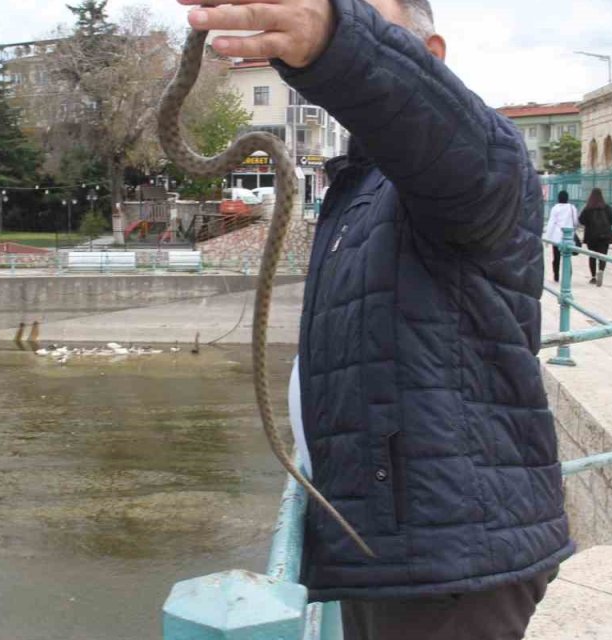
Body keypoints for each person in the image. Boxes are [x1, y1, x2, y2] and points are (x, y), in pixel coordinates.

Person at [185, 1, 572, 638]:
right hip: (388, 543)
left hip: (448, 560)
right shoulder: (363, 186)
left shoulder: (478, 167)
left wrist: (339, 39)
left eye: (369, 12)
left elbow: (447, 137)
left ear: (433, 56)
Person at [579, 188, 612, 286]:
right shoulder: (607, 208)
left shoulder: (588, 208)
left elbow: (581, 220)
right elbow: (611, 221)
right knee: (603, 256)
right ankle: (601, 272)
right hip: (605, 236)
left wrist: (589, 224)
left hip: (591, 236)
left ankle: (593, 277)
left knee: (592, 256)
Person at [543, 190, 580, 282]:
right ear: (567, 198)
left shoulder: (555, 208)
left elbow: (551, 223)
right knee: (567, 256)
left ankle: (556, 275)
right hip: (569, 236)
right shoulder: (572, 208)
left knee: (556, 257)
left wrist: (547, 239)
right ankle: (567, 276)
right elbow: (575, 222)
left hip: (556, 236)